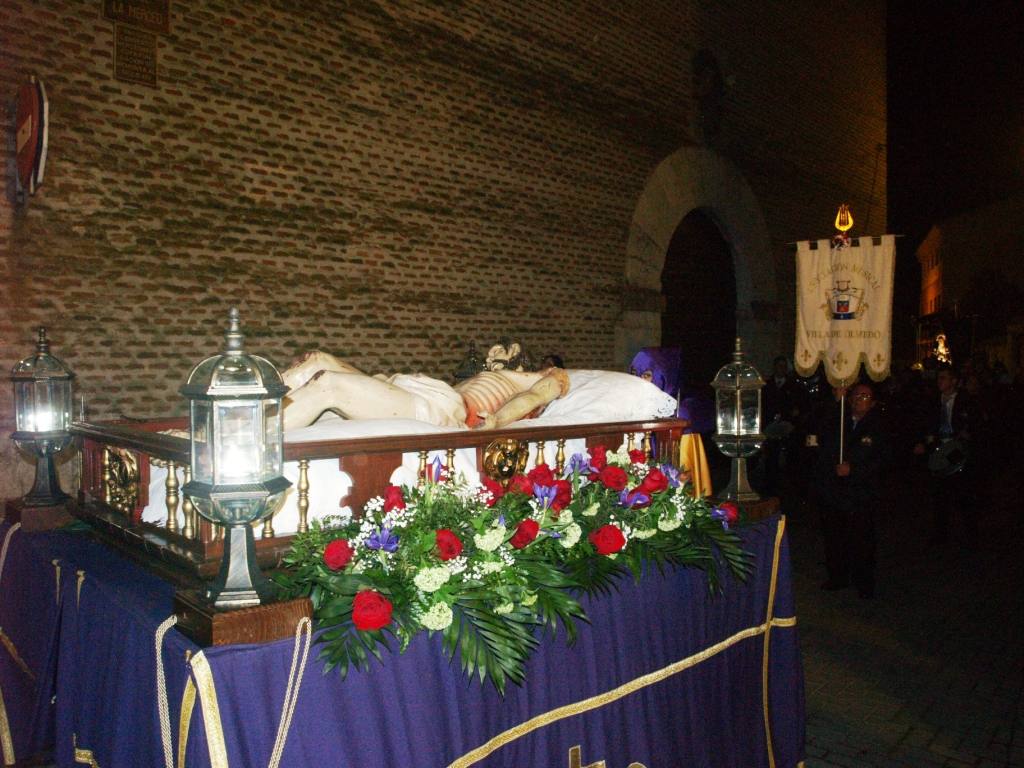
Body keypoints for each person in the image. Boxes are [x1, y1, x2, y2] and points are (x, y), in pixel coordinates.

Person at [281, 350, 570, 432]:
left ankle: (249, 439)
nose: (496, 349)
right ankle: (244, 409)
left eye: (506, 350)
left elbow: (531, 398)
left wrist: (498, 421)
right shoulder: (493, 374)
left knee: (329, 385)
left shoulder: (546, 378)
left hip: (441, 410)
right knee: (318, 360)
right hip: (416, 389)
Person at [812, 382, 891, 598]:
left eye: (865, 396)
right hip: (837, 491)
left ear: (873, 402)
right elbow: (824, 433)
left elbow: (883, 460)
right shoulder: (841, 419)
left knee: (862, 540)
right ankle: (838, 576)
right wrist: (837, 401)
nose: (859, 399)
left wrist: (854, 469)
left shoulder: (878, 426)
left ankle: (864, 582)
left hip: (861, 493)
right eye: (856, 395)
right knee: (835, 536)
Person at [913, 363, 981, 547]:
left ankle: (971, 533)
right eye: (938, 378)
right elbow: (924, 423)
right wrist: (921, 442)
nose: (939, 381)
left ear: (954, 381)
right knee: (939, 494)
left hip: (957, 449)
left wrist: (969, 435)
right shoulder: (933, 401)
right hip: (938, 449)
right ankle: (940, 534)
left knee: (962, 492)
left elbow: (978, 425)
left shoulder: (966, 401)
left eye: (944, 378)